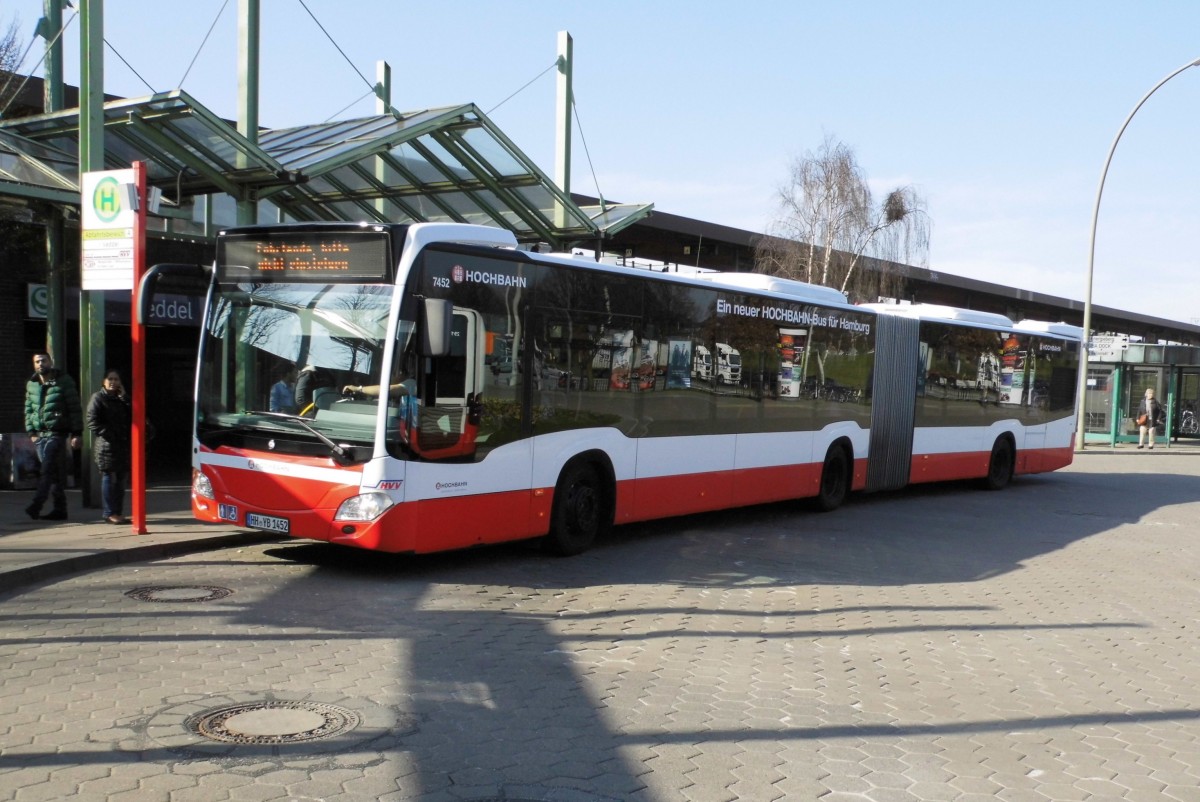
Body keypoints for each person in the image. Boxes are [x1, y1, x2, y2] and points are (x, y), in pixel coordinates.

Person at [23, 352, 83, 521]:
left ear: (50, 362)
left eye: (43, 360)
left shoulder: (64, 381)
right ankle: (60, 509)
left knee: (46, 469)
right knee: (53, 473)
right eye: (37, 361)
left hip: (57, 433)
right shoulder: (32, 384)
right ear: (34, 364)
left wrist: (77, 433)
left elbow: (74, 408)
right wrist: (32, 432)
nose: (40, 364)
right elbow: (28, 409)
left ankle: (37, 504)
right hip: (40, 435)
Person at [86, 369, 132, 524]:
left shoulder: (122, 399)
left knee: (121, 479)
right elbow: (92, 420)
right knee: (108, 476)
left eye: (116, 379)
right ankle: (109, 512)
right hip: (107, 445)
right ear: (104, 382)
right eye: (110, 379)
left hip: (122, 444)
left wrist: (125, 398)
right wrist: (109, 434)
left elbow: (134, 414)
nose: (113, 382)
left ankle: (117, 512)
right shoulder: (98, 398)